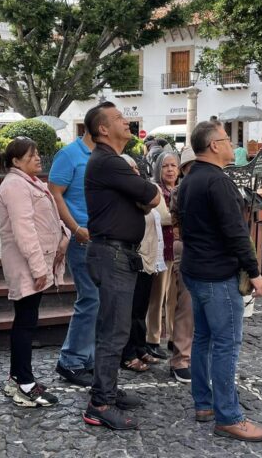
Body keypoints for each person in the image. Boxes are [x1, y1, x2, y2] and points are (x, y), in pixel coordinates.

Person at [178, 120, 262, 442]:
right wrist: (256, 274)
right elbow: (236, 233)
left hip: (195, 270)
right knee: (225, 346)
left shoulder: (190, 179)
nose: (233, 145)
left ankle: (204, 404)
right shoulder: (218, 182)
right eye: (227, 140)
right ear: (214, 146)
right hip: (216, 276)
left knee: (203, 340)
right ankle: (228, 416)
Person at [81, 102, 161, 431]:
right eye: (117, 119)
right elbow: (152, 197)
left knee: (115, 330)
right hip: (111, 254)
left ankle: (108, 391)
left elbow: (144, 201)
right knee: (114, 332)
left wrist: (141, 193)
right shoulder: (108, 162)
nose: (125, 121)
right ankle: (100, 404)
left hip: (116, 254)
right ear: (103, 129)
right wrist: (141, 189)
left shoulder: (110, 163)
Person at [0, 138, 68, 407]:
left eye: (38, 153)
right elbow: (24, 230)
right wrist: (39, 268)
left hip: (37, 262)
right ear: (16, 161)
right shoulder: (15, 185)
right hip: (26, 264)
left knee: (27, 320)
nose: (38, 158)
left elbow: (49, 217)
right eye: (31, 155)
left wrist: (64, 235)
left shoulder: (30, 182)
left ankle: (18, 376)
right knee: (25, 322)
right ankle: (24, 381)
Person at [51, 117, 98, 387]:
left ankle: (85, 358)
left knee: (97, 301)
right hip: (83, 238)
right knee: (90, 299)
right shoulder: (69, 154)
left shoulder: (104, 155)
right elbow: (55, 193)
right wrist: (75, 228)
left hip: (102, 238)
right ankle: (71, 360)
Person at [146, 151, 194, 383]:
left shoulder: (183, 189)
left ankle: (175, 336)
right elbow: (160, 217)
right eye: (165, 165)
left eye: (173, 165)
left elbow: (167, 217)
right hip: (160, 249)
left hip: (176, 251)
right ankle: (153, 338)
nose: (170, 170)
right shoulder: (155, 189)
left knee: (176, 299)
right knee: (158, 296)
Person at [119, 154, 169, 373]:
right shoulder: (124, 194)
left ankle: (141, 347)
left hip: (149, 259)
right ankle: (128, 354)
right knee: (130, 311)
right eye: (129, 169)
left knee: (140, 309)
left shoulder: (143, 189)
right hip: (135, 258)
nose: (136, 172)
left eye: (136, 168)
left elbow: (161, 214)